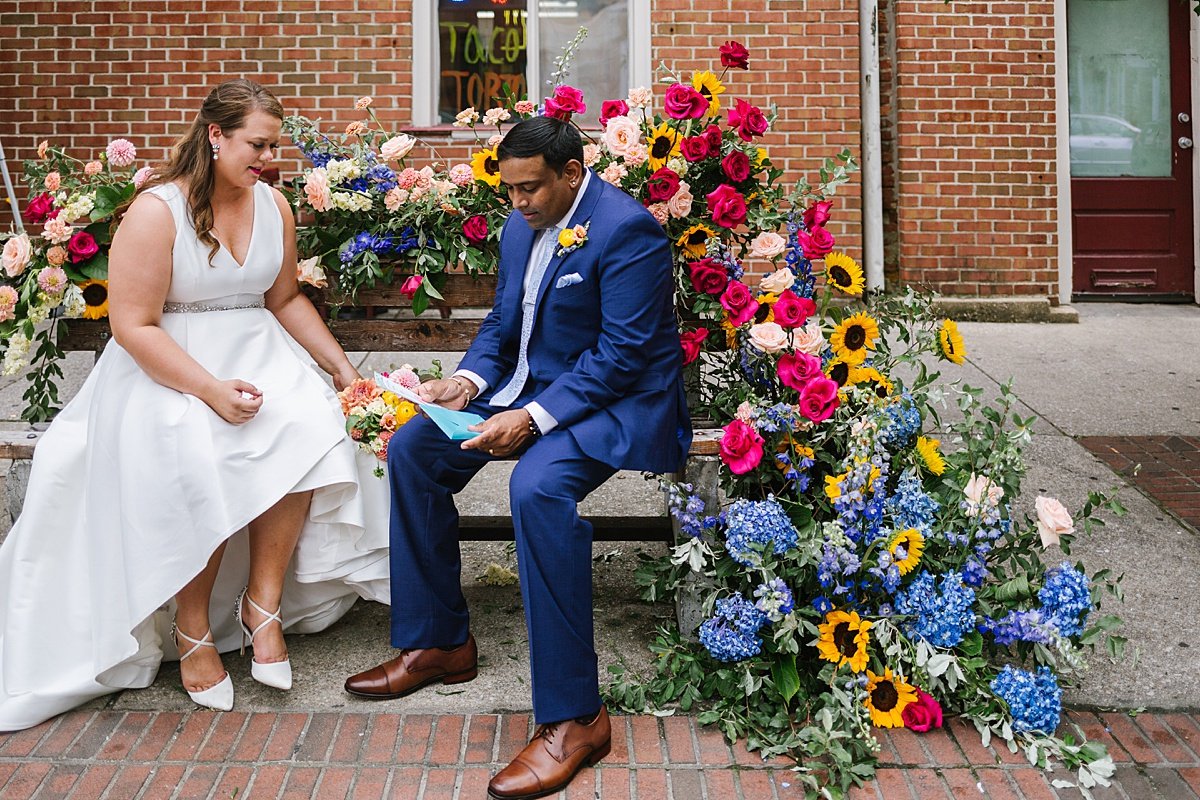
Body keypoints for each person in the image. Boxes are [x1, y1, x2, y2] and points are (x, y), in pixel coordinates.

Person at [0, 78, 391, 731]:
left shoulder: (274, 204)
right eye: (256, 144)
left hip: (259, 350)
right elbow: (133, 324)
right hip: (167, 365)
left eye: (274, 145)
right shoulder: (156, 211)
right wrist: (208, 389)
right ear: (215, 136)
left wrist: (344, 372)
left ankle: (261, 604)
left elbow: (285, 299)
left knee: (314, 422)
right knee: (197, 446)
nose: (268, 158)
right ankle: (190, 626)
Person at [343, 115, 691, 799]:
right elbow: (504, 324)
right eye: (509, 191)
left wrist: (529, 420)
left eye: (531, 189)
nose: (519, 203)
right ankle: (440, 642)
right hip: (527, 390)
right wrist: (464, 383)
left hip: (615, 401)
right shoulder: (518, 223)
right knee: (415, 446)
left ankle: (575, 716)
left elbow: (621, 357)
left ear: (571, 173)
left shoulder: (628, 231)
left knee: (536, 488)